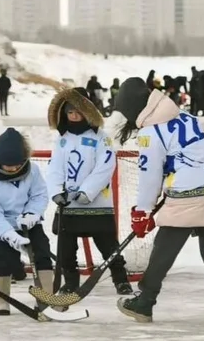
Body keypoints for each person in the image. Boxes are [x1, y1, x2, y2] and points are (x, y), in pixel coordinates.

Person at [112, 77, 204, 327]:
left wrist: (142, 211)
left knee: (164, 250)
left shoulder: (150, 132)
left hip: (187, 195)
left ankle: (145, 302)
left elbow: (150, 175)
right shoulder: (185, 117)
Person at [45, 87, 134, 295]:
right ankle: (70, 282)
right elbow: (55, 167)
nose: (74, 116)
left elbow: (105, 166)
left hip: (97, 204)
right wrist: (56, 191)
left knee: (109, 247)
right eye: (70, 112)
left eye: (78, 112)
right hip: (69, 205)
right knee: (66, 250)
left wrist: (87, 191)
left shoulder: (101, 138)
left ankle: (121, 280)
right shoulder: (62, 139)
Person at [0, 127, 55, 316]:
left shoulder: (33, 171)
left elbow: (39, 195)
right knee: (3, 260)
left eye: (18, 164)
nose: (14, 169)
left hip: (28, 221)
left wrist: (32, 214)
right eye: (9, 165)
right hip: (0, 224)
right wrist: (9, 234)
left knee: (42, 254)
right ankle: (1, 301)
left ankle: (47, 300)